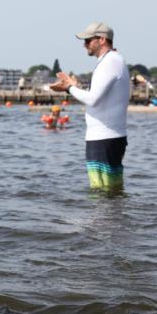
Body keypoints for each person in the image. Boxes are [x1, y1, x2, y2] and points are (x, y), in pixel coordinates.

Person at [50, 21, 130, 191]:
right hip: (108, 137)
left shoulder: (110, 62)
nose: (84, 44)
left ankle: (109, 210)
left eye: (88, 40)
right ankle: (117, 210)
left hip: (104, 138)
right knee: (111, 191)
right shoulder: (113, 60)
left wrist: (69, 88)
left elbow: (93, 99)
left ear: (102, 39)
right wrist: (75, 86)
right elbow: (99, 96)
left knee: (101, 191)